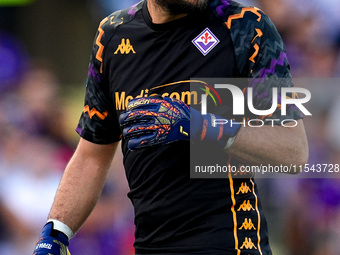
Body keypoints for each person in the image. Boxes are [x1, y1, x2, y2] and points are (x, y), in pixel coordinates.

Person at [33, 0, 309, 254]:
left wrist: (201, 125)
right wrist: (56, 232)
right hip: (149, 245)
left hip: (230, 243)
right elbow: (92, 155)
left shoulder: (245, 27)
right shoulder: (113, 35)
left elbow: (292, 151)